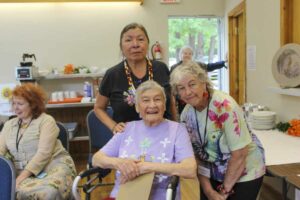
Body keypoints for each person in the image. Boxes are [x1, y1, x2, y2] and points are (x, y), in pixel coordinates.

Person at [170, 62, 265, 200]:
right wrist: (209, 191)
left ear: (203, 82)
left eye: (192, 84)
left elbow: (240, 154)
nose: (188, 92)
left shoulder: (225, 106)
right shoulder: (186, 114)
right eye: (181, 88)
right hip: (215, 173)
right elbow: (198, 156)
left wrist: (224, 192)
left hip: (245, 171)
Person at [92, 80, 196, 200]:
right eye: (146, 100)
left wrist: (145, 167)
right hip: (123, 195)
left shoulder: (178, 130)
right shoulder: (126, 129)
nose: (152, 105)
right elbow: (97, 159)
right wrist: (120, 163)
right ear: (137, 107)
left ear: (164, 105)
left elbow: (190, 169)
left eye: (157, 99)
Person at [94, 23, 176, 134]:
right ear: (121, 46)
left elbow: (170, 101)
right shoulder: (113, 74)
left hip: (164, 134)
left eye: (140, 39)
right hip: (128, 137)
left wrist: (176, 126)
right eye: (128, 40)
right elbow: (98, 108)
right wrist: (113, 126)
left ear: (148, 43)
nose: (135, 44)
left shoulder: (161, 68)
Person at [0, 83, 76, 200]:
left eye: (20, 104)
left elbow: (43, 154)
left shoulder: (46, 121)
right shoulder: (9, 125)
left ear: (33, 105)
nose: (15, 107)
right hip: (19, 171)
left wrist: (20, 178)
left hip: (52, 166)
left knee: (49, 192)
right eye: (14, 103)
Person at [170, 46, 227, 115]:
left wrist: (223, 63)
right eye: (185, 53)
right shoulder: (174, 68)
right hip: (182, 99)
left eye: (190, 54)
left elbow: (209, 66)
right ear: (180, 55)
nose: (187, 55)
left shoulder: (197, 65)